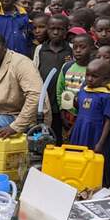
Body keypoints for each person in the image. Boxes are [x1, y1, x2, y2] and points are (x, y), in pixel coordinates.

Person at [34, 15, 72, 143]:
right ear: (47, 30)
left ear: (66, 31)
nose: (56, 32)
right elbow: (34, 72)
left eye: (60, 29)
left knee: (57, 132)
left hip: (62, 100)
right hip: (45, 99)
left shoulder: (71, 49)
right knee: (42, 131)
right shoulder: (40, 49)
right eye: (52, 29)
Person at [68, 58, 110, 155]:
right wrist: (72, 128)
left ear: (105, 79)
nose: (89, 79)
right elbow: (80, 113)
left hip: (94, 134)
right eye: (87, 75)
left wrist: (101, 143)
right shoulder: (82, 91)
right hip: (79, 130)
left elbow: (108, 121)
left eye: (94, 76)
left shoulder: (105, 96)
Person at [56, 33, 94, 132]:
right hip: (68, 114)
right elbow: (60, 90)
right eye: (75, 47)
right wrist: (62, 112)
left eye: (82, 47)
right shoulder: (67, 67)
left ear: (92, 48)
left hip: (86, 116)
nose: (78, 51)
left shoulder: (94, 69)